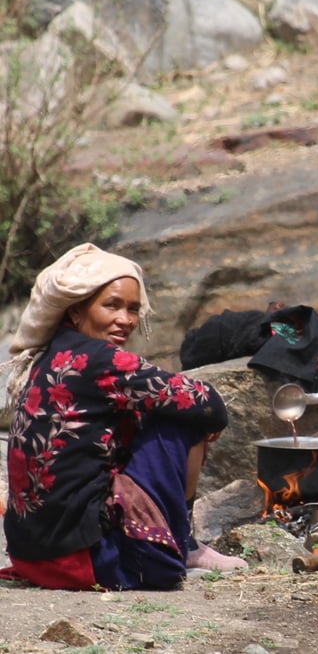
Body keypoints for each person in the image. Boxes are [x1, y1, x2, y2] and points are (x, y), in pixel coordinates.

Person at [1, 243, 246, 590]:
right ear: (76, 311)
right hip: (85, 561)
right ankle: (184, 544)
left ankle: (181, 540)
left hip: (33, 557)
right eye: (112, 305)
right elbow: (209, 404)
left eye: (133, 309)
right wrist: (205, 420)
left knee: (159, 406)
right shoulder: (101, 359)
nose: (126, 320)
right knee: (184, 417)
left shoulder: (51, 354)